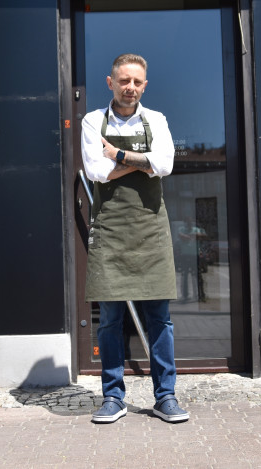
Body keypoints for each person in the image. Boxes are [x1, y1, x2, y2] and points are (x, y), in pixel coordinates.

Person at [81, 53, 189, 424]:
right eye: (124, 80)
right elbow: (96, 171)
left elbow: (166, 164)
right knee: (110, 320)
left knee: (160, 318)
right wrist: (143, 161)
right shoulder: (92, 120)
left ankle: (166, 396)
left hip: (150, 228)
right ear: (110, 82)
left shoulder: (155, 119)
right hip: (110, 229)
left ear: (145, 85)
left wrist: (120, 154)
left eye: (137, 82)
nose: (130, 87)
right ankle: (113, 397)